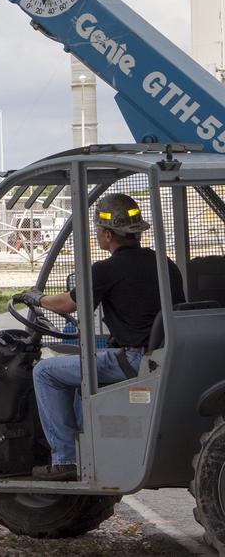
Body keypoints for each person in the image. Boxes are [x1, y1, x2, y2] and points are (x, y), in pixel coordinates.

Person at [21, 192, 185, 481]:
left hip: (134, 359)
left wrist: (38, 298)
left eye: (98, 230)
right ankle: (87, 450)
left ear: (108, 235)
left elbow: (69, 304)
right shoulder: (164, 264)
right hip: (163, 354)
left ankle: (65, 459)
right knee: (75, 372)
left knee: (45, 372)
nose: (97, 235)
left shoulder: (107, 269)